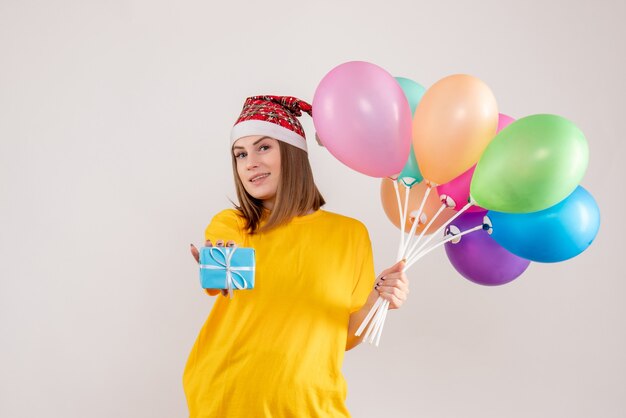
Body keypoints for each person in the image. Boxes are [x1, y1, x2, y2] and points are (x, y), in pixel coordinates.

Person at [184, 95, 409, 417]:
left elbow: (343, 336)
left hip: (313, 407)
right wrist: (218, 263)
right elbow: (223, 266)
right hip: (228, 399)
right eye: (240, 154)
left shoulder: (350, 234)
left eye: (263, 147)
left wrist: (379, 299)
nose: (250, 163)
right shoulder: (233, 223)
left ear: (293, 153)